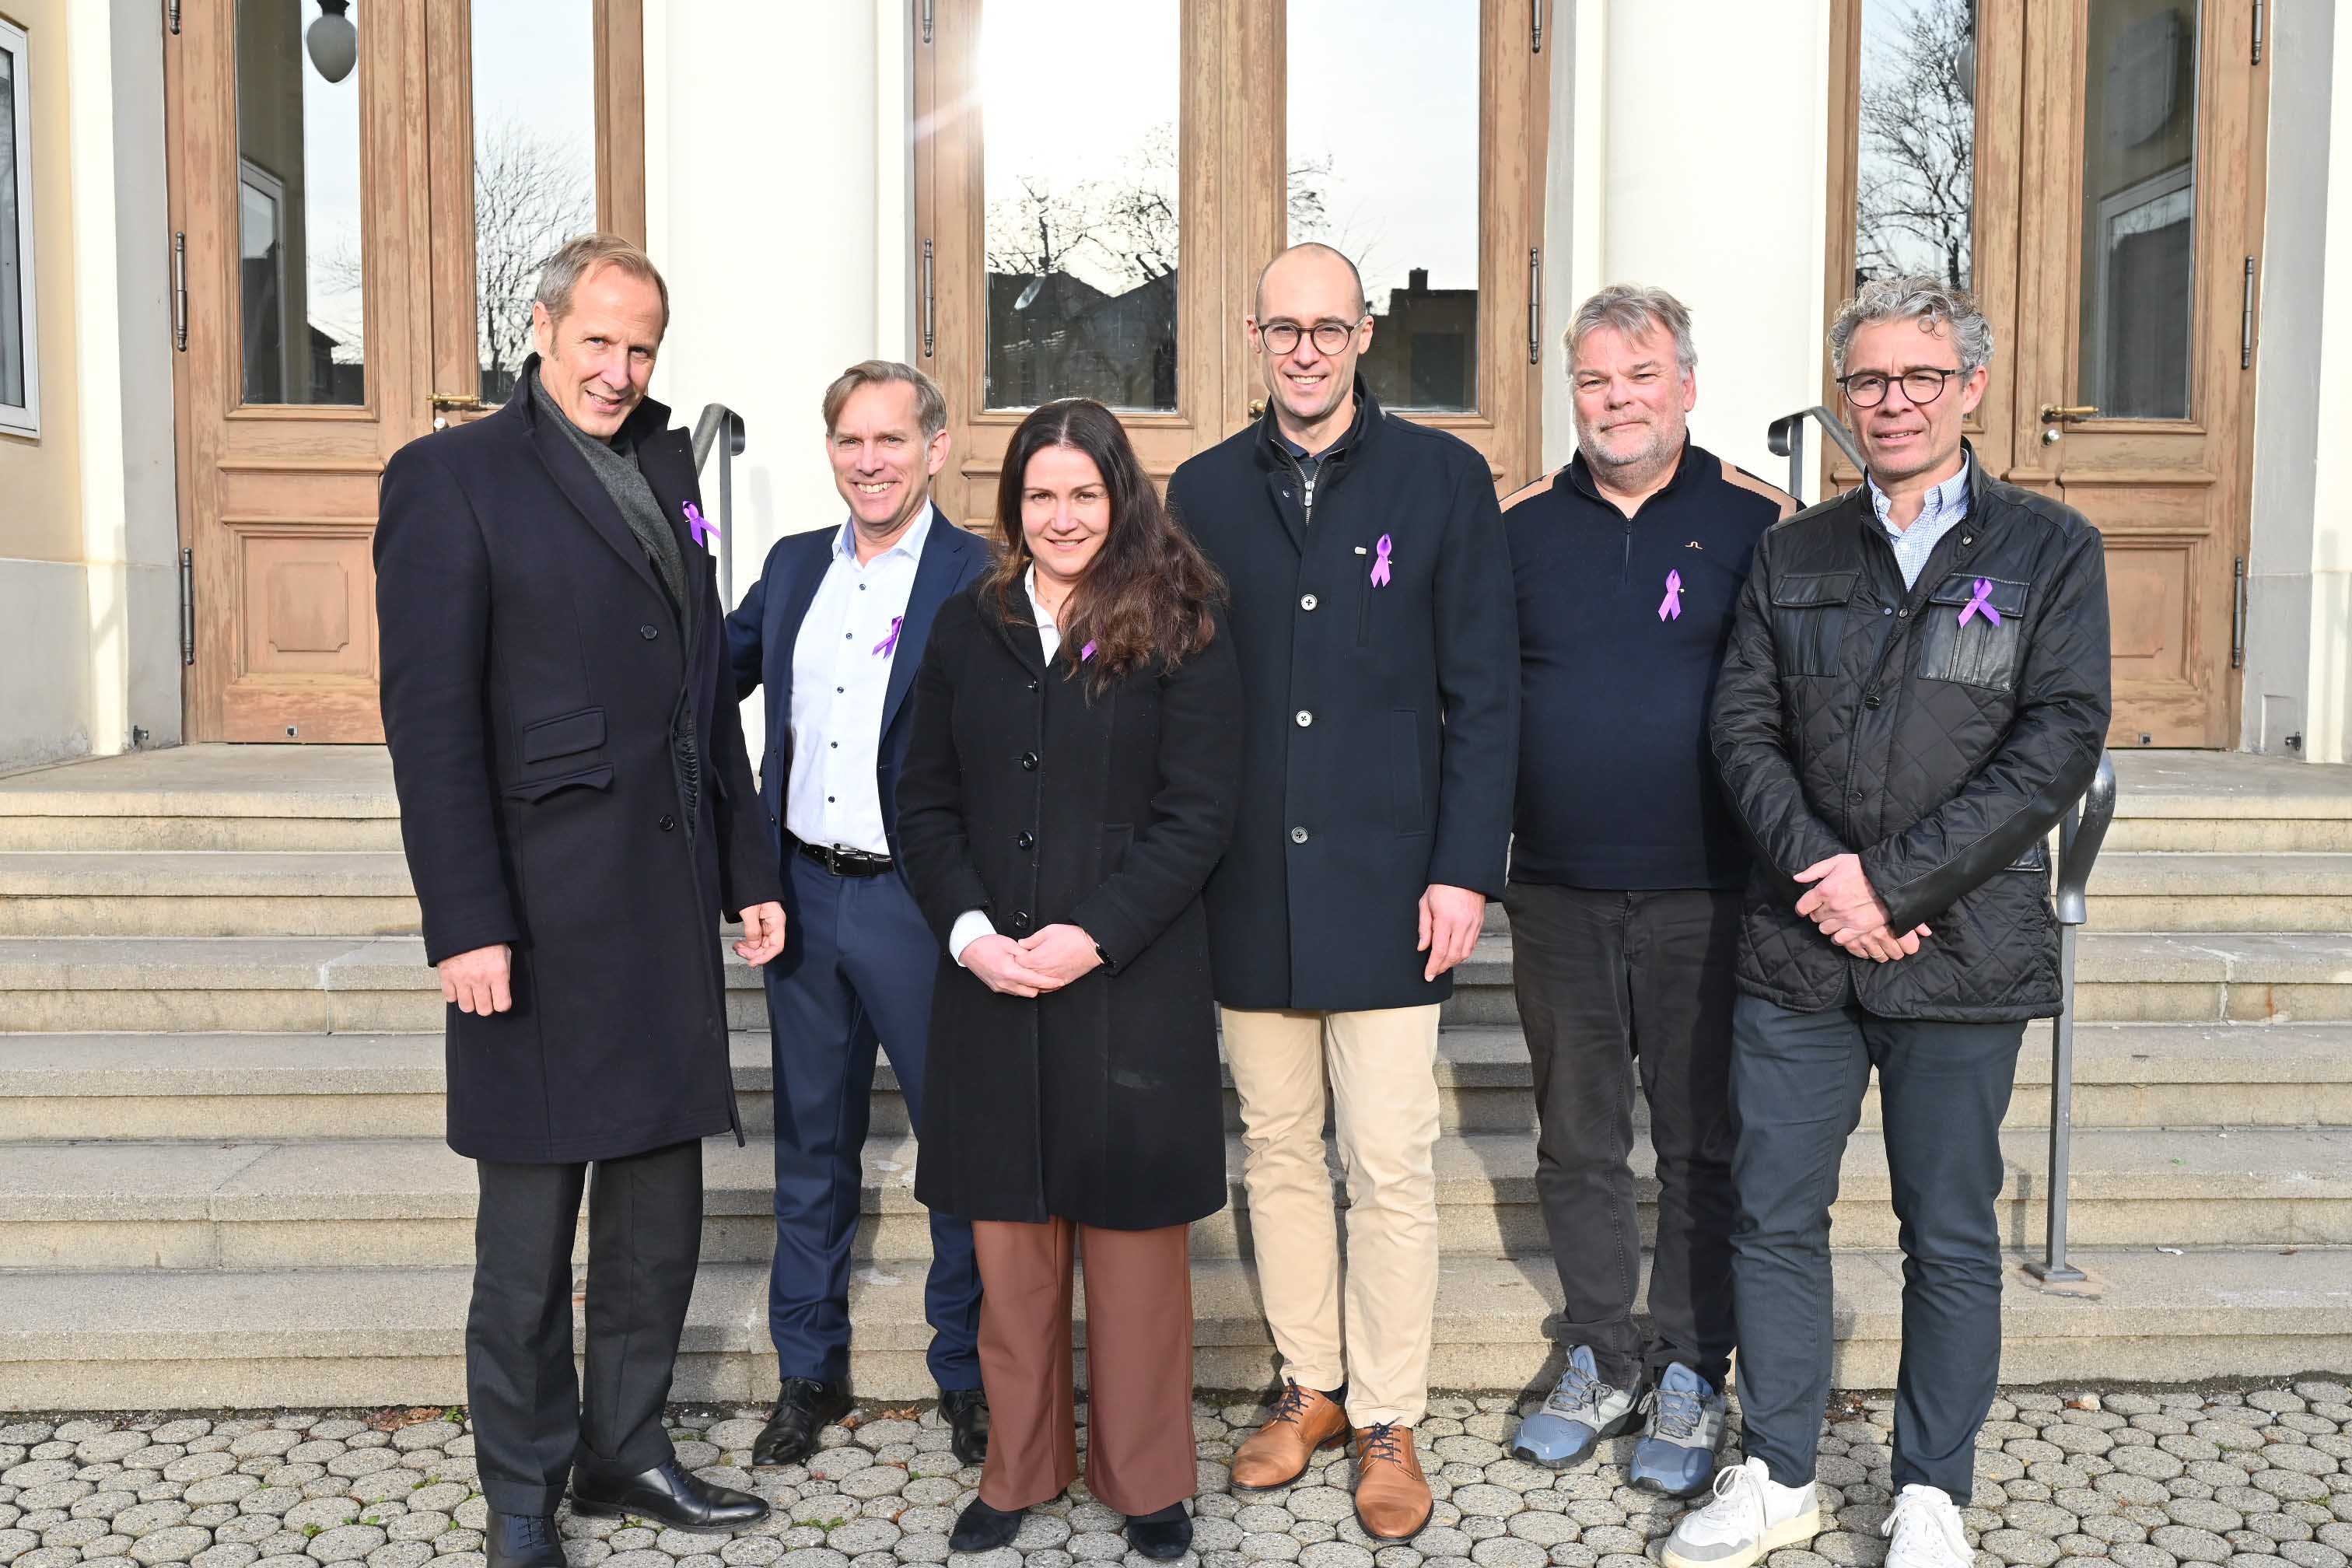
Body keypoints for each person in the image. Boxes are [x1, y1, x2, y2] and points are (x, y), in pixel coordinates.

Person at [1664, 277, 2110, 1568]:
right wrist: (1825, 875)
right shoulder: (1793, 549)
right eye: (1869, 381)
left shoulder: (2048, 550)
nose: (1894, 402)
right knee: (1773, 1216)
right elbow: (1740, 727)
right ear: (1842, 397)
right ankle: (1781, 1471)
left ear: (1969, 386)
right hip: (1798, 947)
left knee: (1951, 1230)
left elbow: (2057, 740)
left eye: (1921, 377)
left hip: (1963, 950)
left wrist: (1898, 886)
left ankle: (1931, 1491)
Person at [374, 233, 786, 1568]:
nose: (619, 370)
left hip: (660, 903)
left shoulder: (669, 471)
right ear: (542, 330)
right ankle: (520, 1495)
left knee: (657, 1217)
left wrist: (747, 872)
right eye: (598, 341)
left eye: (642, 346)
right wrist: (466, 922)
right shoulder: (451, 479)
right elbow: (429, 725)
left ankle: (626, 1452)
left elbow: (699, 692)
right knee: (530, 1237)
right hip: (538, 919)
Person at [1166, 243, 1518, 1541]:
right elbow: (1176, 692)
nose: (1305, 349)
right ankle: (1307, 1384)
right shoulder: (1200, 490)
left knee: (1389, 1158)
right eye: (1283, 329)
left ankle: (1388, 1413)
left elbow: (1485, 693)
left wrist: (1464, 868)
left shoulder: (1442, 480)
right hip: (1247, 886)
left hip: (1391, 888)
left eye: (1329, 327)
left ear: (1366, 335)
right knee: (1275, 1149)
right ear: (1252, 336)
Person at [896, 398, 1242, 1563]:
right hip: (990, 982)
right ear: (1012, 507)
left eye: (1084, 495)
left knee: (1137, 1261)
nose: (1061, 517)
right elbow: (921, 797)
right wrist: (969, 931)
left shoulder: (1184, 619)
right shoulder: (966, 625)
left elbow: (1200, 812)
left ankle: (1148, 1483)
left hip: (1127, 982)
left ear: (1121, 499)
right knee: (1011, 1257)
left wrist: (1093, 934)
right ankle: (1019, 1466)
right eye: (1040, 496)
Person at [1500, 285, 1793, 1496]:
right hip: (1559, 890)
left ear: (1685, 384)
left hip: (1708, 892)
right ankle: (1601, 1349)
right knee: (1575, 1138)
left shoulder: (1761, 521)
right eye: (1594, 382)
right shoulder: (1517, 526)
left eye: (1640, 376)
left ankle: (1689, 1361)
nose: (1617, 401)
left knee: (1699, 1141)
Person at [723, 361, 990, 1468]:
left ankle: (969, 1375)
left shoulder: (983, 574)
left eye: (891, 440)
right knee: (812, 1149)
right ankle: (809, 1373)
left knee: (959, 1156)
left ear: (934, 448)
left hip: (923, 908)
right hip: (803, 901)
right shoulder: (791, 572)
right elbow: (695, 685)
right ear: (831, 451)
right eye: (850, 442)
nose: (870, 462)